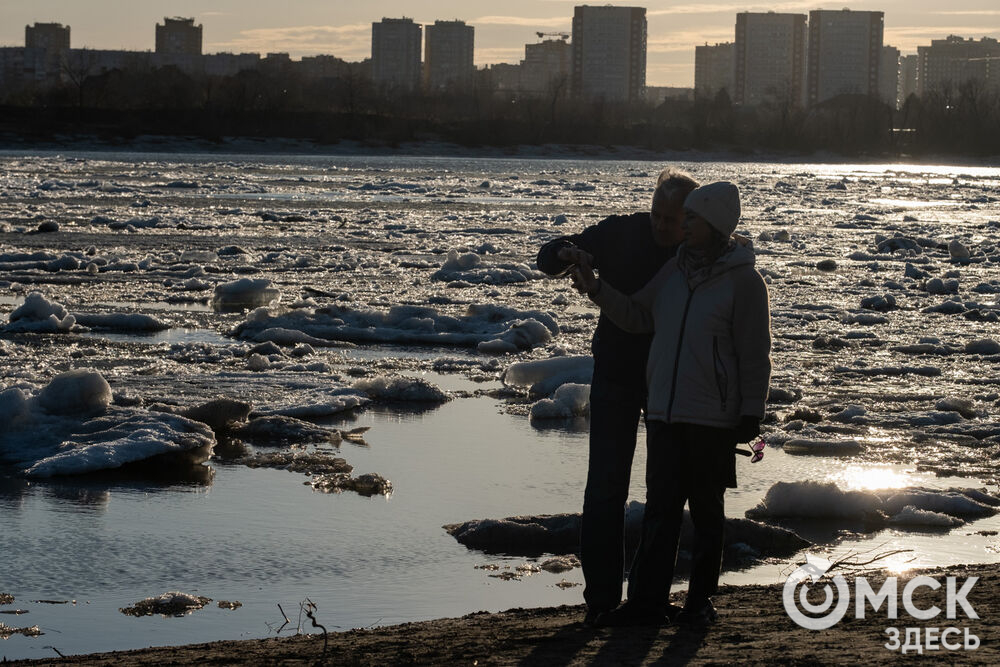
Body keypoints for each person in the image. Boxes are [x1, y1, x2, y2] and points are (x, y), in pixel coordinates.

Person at [571, 181, 771, 626]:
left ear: (714, 224)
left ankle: (699, 603)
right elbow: (638, 315)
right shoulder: (675, 271)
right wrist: (597, 290)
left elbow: (755, 354)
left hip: (712, 416)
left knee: (706, 513)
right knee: (660, 510)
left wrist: (750, 413)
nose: (683, 226)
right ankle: (647, 603)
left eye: (691, 218)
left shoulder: (745, 282)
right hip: (665, 411)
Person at [536, 168, 700, 626]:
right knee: (606, 488)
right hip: (615, 372)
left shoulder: (696, 251)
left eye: (671, 220)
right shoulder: (622, 231)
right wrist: (566, 253)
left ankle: (649, 599)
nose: (660, 225)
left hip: (670, 379)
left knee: (666, 491)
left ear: (690, 220)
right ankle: (602, 602)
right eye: (656, 214)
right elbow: (549, 257)